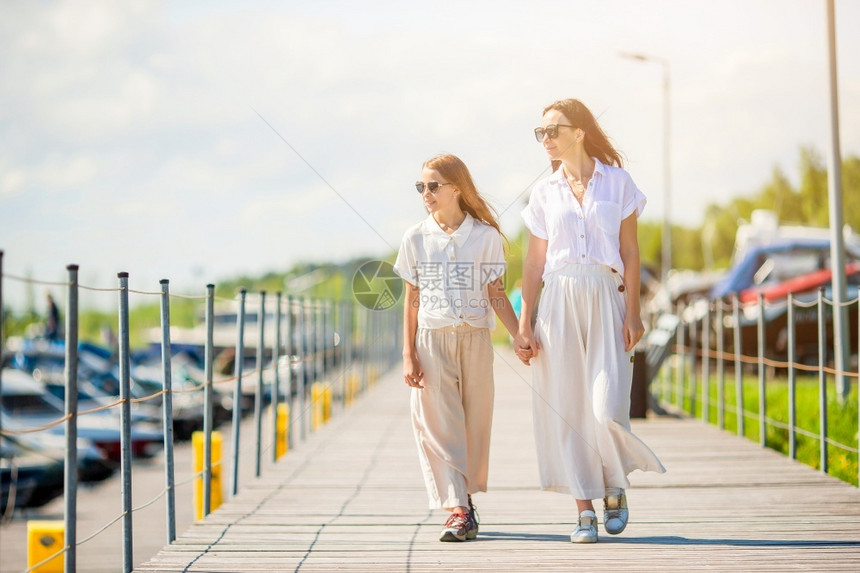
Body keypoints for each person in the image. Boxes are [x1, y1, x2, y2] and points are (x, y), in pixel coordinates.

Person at [514, 99, 666, 544]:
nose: (546, 140)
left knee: (606, 406)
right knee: (568, 410)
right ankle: (583, 510)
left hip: (606, 295)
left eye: (553, 130)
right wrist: (526, 322)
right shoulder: (544, 193)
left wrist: (634, 311)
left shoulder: (617, 183)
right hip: (558, 300)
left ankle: (615, 486)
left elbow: (631, 252)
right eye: (540, 133)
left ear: (579, 132)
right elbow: (534, 262)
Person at [394, 153, 520, 542]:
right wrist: (408, 352)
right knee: (439, 427)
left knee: (474, 424)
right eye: (421, 187)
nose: (425, 193)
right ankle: (458, 509)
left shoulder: (485, 236)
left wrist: (519, 335)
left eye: (433, 186)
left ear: (456, 189)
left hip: (476, 339)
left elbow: (496, 294)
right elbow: (411, 297)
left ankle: (465, 499)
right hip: (432, 341)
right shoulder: (415, 237)